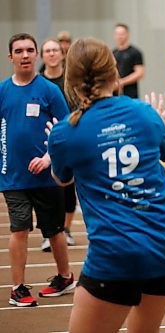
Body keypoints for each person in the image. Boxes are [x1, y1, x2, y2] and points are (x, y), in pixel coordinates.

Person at [46, 37, 165, 332]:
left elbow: (62, 179)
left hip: (116, 252)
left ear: (70, 78)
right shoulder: (145, 113)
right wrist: (156, 125)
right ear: (115, 72)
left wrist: (55, 145)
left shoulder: (65, 132)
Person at [0, 33, 75, 307]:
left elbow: (65, 130)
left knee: (54, 230)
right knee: (19, 229)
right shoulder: (2, 91)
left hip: (46, 176)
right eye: (18, 51)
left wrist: (47, 157)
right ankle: (17, 287)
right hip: (13, 177)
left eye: (30, 50)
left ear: (37, 55)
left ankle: (65, 277)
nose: (25, 55)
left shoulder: (49, 91)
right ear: (11, 57)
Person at [39, 38, 77, 251]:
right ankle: (50, 231)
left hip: (69, 138)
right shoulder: (39, 82)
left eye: (55, 50)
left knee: (69, 187)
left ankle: (66, 228)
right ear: (42, 56)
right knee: (47, 188)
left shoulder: (70, 80)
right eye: (48, 51)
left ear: (62, 54)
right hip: (44, 140)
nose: (52, 54)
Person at [112, 23, 144, 98]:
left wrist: (122, 82)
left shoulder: (135, 52)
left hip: (131, 94)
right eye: (117, 34)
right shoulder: (112, 53)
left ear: (127, 34)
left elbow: (140, 73)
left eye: (122, 34)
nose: (120, 36)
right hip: (114, 95)